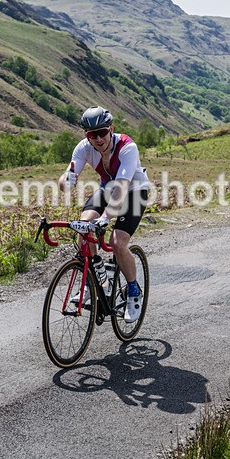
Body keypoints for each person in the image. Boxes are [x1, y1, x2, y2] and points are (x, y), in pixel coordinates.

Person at [58, 106, 150, 323]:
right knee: (83, 226)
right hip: (108, 188)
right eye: (92, 135)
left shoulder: (128, 147)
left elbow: (122, 187)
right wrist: (66, 182)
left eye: (102, 132)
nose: (98, 139)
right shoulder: (83, 148)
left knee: (117, 242)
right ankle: (96, 275)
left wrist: (106, 218)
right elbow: (66, 178)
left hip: (134, 191)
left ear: (111, 129)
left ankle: (134, 291)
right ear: (86, 135)